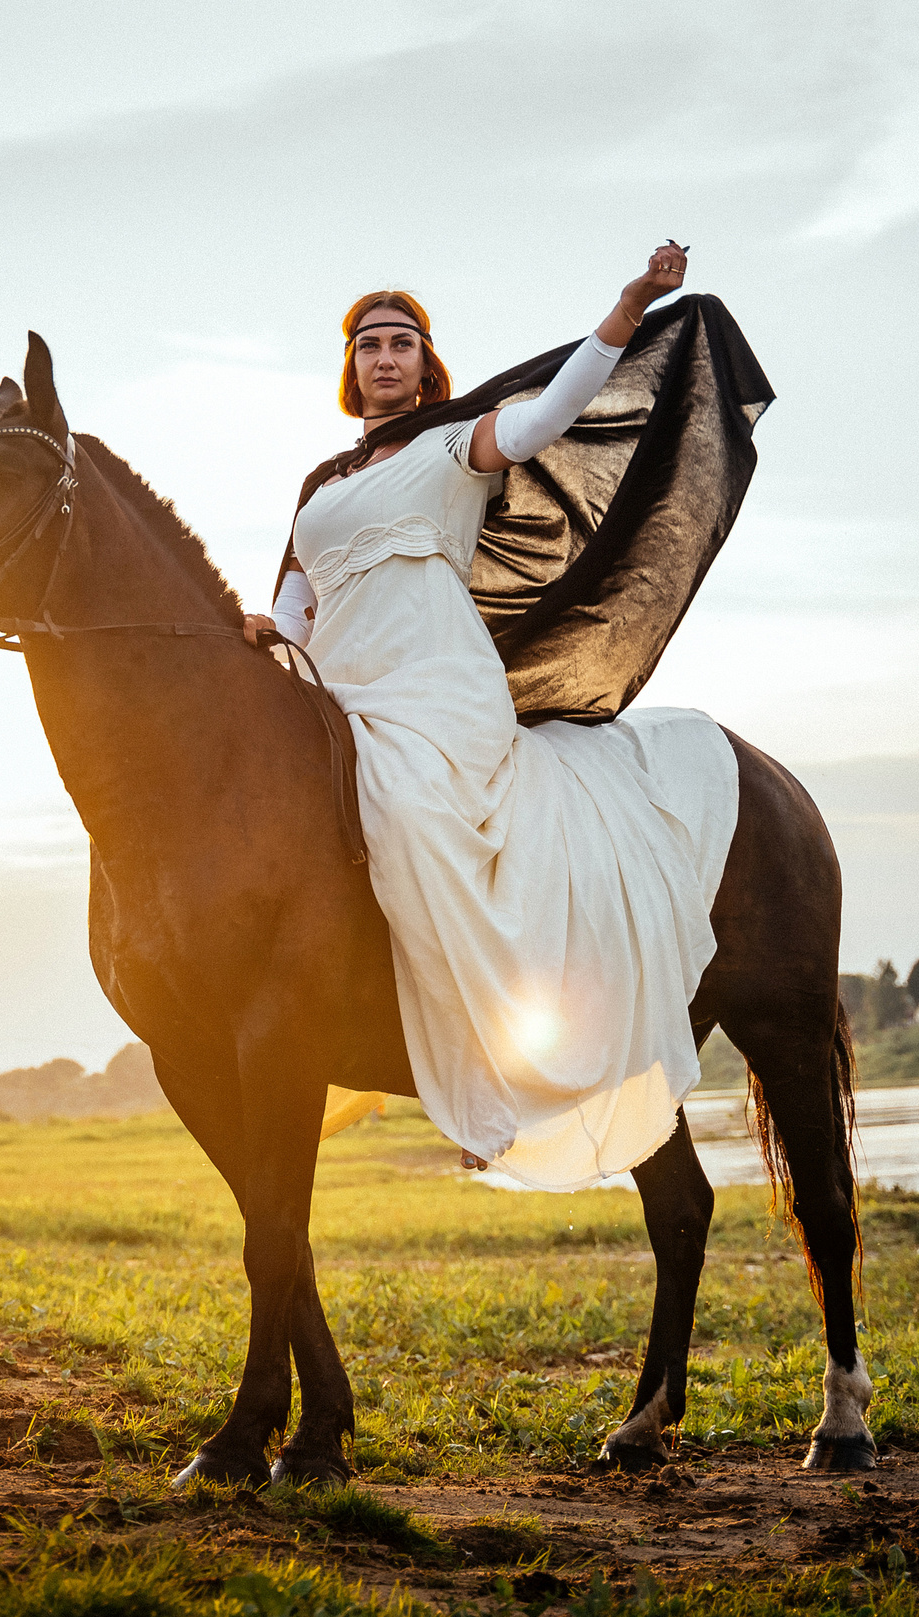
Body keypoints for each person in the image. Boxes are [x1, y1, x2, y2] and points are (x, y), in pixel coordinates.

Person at [243, 245, 742, 1190]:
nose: (383, 359)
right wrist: (269, 635)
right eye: (367, 347)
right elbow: (300, 599)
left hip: (434, 690)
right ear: (350, 370)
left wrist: (630, 303)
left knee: (419, 819)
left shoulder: (458, 443)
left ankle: (491, 1079)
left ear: (426, 364)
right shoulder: (321, 482)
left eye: (401, 344)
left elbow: (554, 411)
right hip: (341, 693)